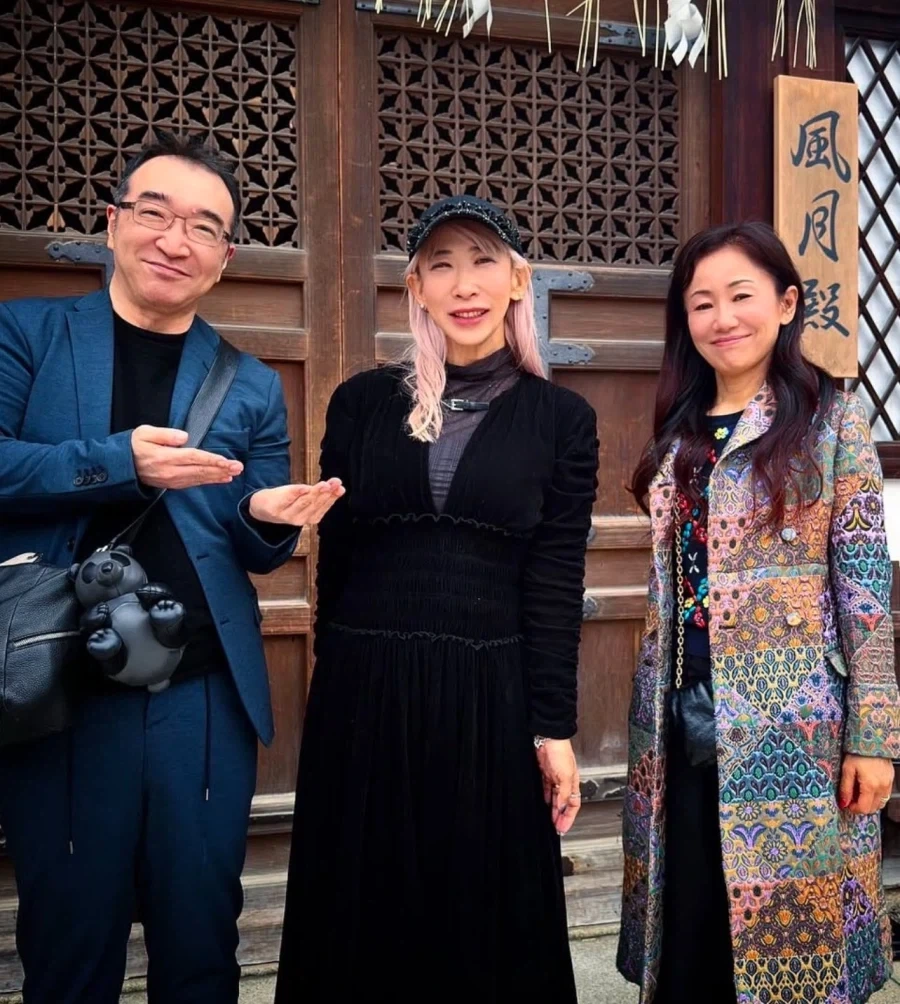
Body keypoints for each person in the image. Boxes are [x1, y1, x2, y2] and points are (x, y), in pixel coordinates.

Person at [0, 133, 342, 1004]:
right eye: (154, 213)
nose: (174, 239)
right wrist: (119, 461)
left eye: (202, 227)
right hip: (58, 689)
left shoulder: (250, 384)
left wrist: (267, 520)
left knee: (200, 941)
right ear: (114, 223)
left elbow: (254, 542)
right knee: (69, 945)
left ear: (224, 258)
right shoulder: (28, 333)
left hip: (200, 694)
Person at [274, 195, 599, 1003]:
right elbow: (337, 556)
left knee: (482, 915)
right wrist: (332, 681)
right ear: (415, 287)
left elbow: (555, 580)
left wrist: (554, 728)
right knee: (362, 909)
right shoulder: (361, 402)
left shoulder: (562, 420)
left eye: (484, 262)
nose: (465, 285)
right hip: (367, 687)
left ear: (518, 280)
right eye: (442, 266)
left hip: (490, 694)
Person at [616, 221, 900, 1004]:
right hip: (677, 720)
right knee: (692, 934)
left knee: (791, 948)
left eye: (741, 295)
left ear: (786, 303)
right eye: (702, 302)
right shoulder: (679, 429)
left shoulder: (833, 419)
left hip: (796, 734)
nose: (722, 318)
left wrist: (874, 739)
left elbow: (866, 592)